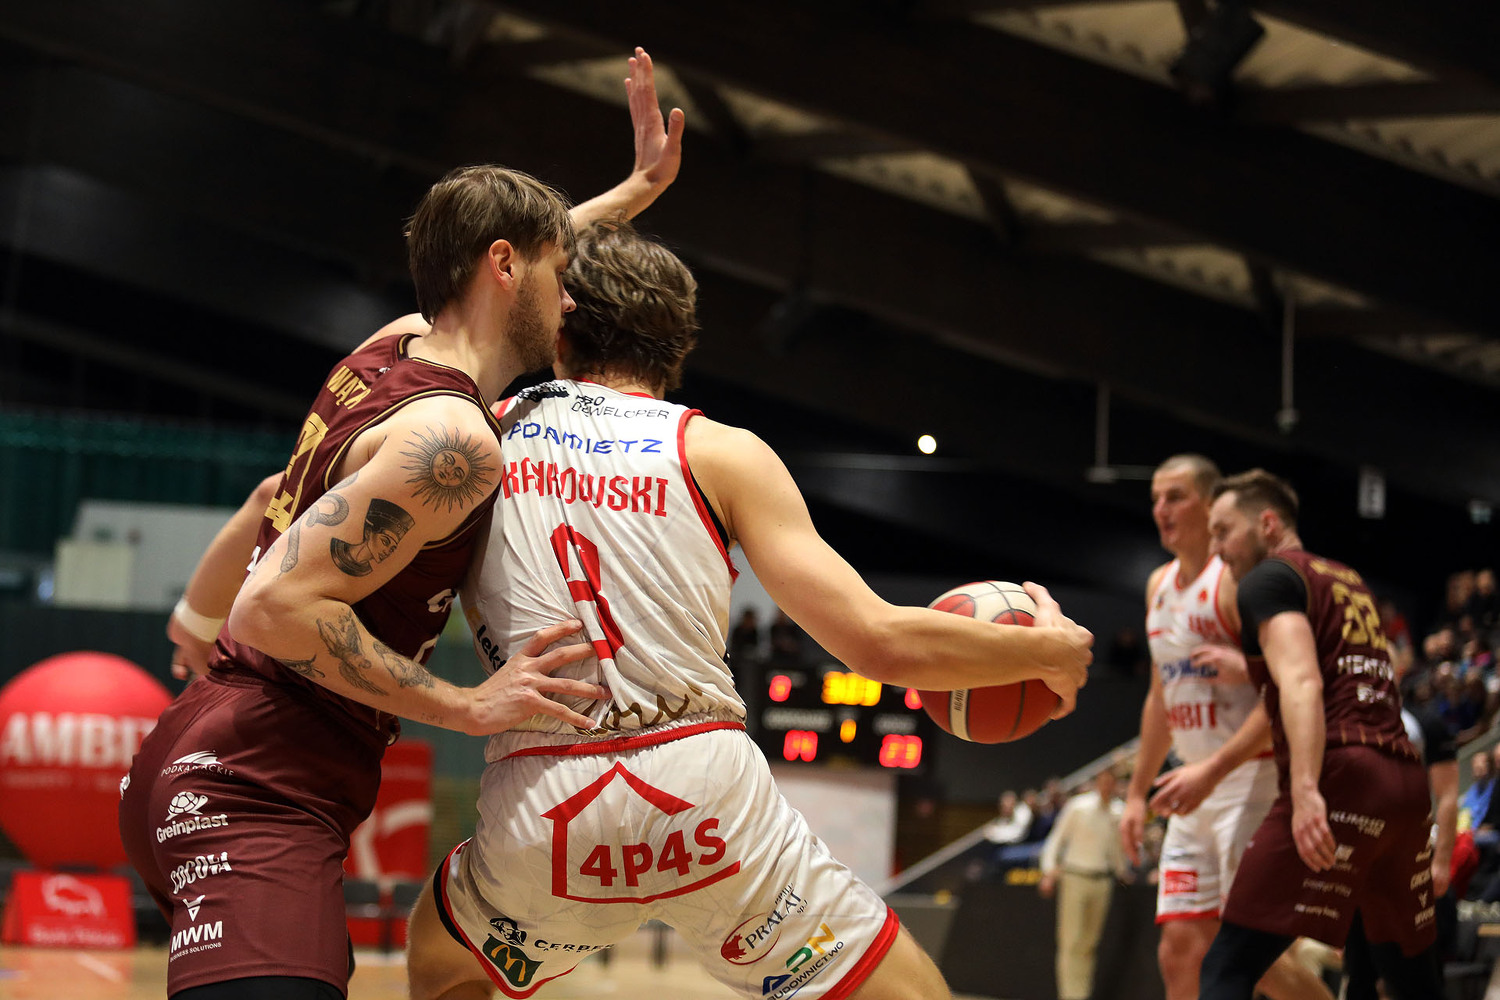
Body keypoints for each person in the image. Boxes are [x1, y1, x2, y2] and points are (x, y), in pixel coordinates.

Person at [401, 220, 1095, 1000]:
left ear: (558, 318)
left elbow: (420, 333)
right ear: (680, 340)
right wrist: (1047, 652)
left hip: (546, 798)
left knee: (441, 955)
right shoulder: (722, 451)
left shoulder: (480, 429)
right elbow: (878, 642)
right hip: (703, 794)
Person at [122, 48, 685, 1000]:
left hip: (214, 748)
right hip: (254, 781)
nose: (571, 299)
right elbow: (272, 610)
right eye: (560, 272)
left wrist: (633, 193)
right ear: (504, 265)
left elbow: (267, 500)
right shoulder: (454, 442)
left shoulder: (389, 349)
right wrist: (468, 706)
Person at [1196, 469, 1443, 1000]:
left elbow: (1304, 680)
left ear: (1267, 523)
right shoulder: (1346, 579)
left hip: (1341, 775)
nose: (1216, 549)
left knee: (1227, 967)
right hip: (1404, 785)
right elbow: (1343, 669)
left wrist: (1307, 789)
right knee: (1408, 977)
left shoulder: (1268, 578)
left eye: (1223, 531)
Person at [1119, 454, 1328, 1000]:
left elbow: (1282, 693)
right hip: (1196, 785)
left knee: (1258, 961)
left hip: (1252, 782)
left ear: (1211, 504)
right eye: (1155, 499)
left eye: (1175, 496)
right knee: (1179, 950)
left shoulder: (1238, 583)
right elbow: (1161, 697)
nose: (1160, 509)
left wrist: (1212, 770)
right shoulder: (1158, 585)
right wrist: (1137, 793)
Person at [1340, 676, 1459, 999]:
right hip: (1360, 865)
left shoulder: (1425, 722)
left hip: (1411, 861)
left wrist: (1441, 861)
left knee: (1416, 972)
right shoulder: (1348, 722)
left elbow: (1448, 795)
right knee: (1358, 973)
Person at [1038, 768, 1128, 1000]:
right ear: (1098, 781)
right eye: (1103, 780)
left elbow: (1117, 848)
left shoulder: (1118, 811)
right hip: (1075, 877)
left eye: (1112, 781)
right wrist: (1048, 871)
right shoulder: (1078, 806)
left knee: (1090, 943)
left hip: (1103, 881)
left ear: (1116, 784)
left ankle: (1083, 994)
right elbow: (1056, 839)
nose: (1107, 785)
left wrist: (1122, 871)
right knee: (1071, 941)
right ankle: (1070, 996)